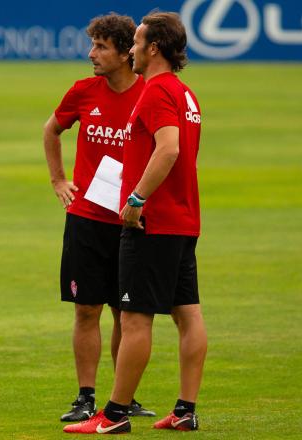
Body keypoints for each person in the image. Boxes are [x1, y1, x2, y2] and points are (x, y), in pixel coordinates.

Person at [63, 11, 207, 434]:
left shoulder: (156, 91)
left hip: (153, 224)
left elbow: (169, 150)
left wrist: (136, 199)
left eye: (137, 41)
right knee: (188, 315)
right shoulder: (187, 94)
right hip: (185, 220)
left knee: (135, 319)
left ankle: (114, 415)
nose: (132, 49)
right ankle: (185, 410)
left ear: (153, 48)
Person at [43, 13, 155, 423]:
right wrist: (58, 179)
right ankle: (85, 397)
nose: (91, 54)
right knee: (86, 310)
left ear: (127, 53)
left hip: (131, 222)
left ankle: (121, 399)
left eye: (101, 47)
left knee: (128, 313)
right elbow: (51, 130)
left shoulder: (150, 94)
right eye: (92, 45)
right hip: (87, 220)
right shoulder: (83, 92)